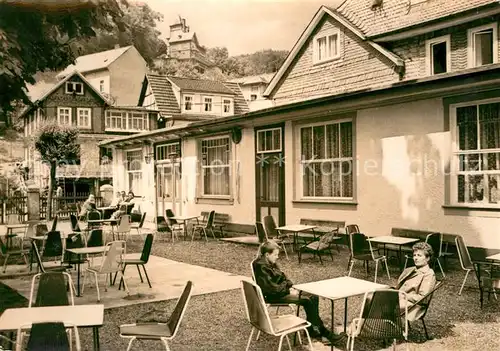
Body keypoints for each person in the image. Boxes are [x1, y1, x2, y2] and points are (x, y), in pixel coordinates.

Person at [252, 240, 346, 344]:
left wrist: (289, 287)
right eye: (275, 255)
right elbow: (273, 290)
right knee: (307, 300)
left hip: (280, 291)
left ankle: (312, 329)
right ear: (267, 254)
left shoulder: (269, 262)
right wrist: (288, 290)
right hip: (273, 296)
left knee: (313, 296)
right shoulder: (261, 266)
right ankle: (323, 332)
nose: (277, 257)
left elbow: (284, 277)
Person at [396, 242, 437, 321]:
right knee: (373, 298)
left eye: (419, 255)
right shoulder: (410, 269)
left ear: (427, 258)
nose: (415, 258)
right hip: (400, 298)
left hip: (413, 305)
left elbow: (423, 298)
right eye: (414, 255)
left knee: (381, 305)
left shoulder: (428, 274)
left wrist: (404, 296)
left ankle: (385, 328)